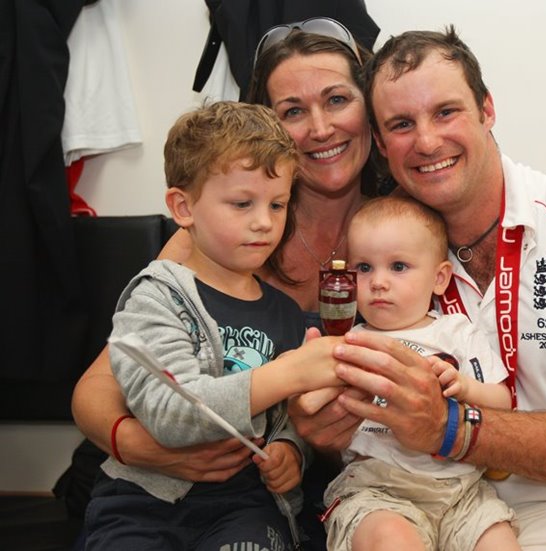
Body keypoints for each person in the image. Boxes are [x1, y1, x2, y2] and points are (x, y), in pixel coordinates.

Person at [289, 27, 546, 551]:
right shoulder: (382, 260)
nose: (426, 141)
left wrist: (453, 428)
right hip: (429, 521)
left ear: (487, 109)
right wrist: (325, 434)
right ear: (380, 142)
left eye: (446, 111)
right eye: (401, 124)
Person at [71, 18, 378, 550]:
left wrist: (299, 446)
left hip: (270, 496)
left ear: (368, 107)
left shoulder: (402, 234)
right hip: (151, 485)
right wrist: (141, 446)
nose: (321, 128)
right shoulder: (207, 241)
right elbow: (99, 388)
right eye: (292, 111)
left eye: (336, 100)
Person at [321, 195, 519, 551]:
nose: (378, 282)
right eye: (364, 268)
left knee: (500, 542)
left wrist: (466, 389)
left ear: (440, 277)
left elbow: (503, 402)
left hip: (462, 491)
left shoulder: (458, 333)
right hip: (378, 488)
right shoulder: (348, 341)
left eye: (398, 267)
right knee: (391, 540)